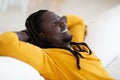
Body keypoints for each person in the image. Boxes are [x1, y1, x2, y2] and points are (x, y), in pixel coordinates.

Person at [0, 10, 113, 80]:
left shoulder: (76, 45)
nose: (63, 24)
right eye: (53, 24)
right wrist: (29, 33)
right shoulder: (48, 58)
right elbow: (5, 42)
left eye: (59, 19)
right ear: (42, 35)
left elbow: (78, 21)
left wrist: (60, 21)